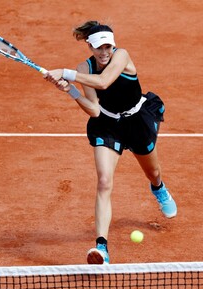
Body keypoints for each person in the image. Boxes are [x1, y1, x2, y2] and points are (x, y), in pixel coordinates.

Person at [44, 20, 177, 264]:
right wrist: (71, 91)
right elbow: (94, 110)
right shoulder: (84, 67)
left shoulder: (122, 56)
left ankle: (158, 187)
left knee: (153, 172)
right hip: (107, 124)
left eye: (107, 47)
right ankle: (101, 248)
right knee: (104, 181)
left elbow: (104, 82)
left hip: (137, 120)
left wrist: (66, 73)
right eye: (99, 48)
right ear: (89, 46)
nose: (104, 52)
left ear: (113, 45)